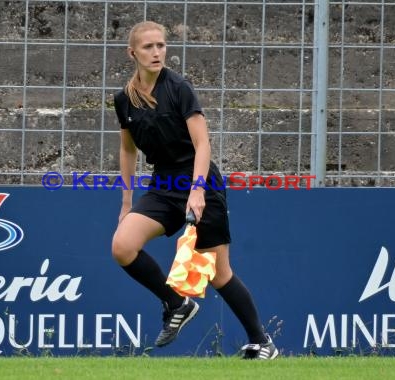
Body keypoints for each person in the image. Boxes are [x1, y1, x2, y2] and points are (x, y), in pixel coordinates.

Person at [111, 20, 278, 360]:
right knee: (123, 246)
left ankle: (262, 342)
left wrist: (198, 190)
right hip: (163, 183)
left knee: (217, 273)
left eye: (161, 45)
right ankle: (176, 302)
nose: (157, 52)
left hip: (201, 181)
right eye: (148, 47)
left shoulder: (179, 87)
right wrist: (126, 202)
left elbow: (203, 145)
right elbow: (127, 150)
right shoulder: (124, 100)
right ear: (133, 53)